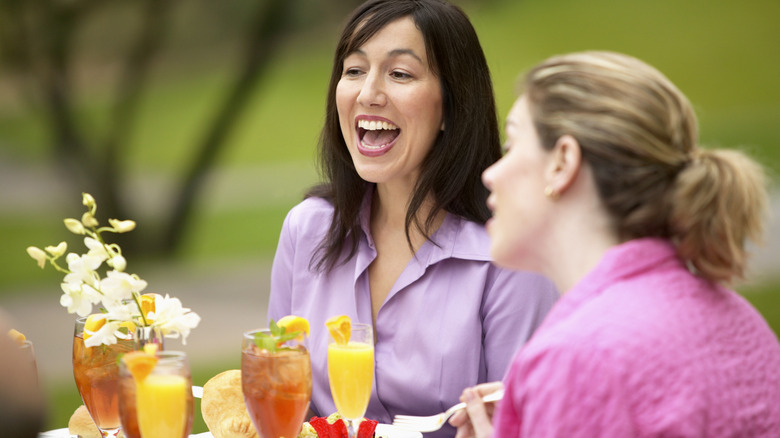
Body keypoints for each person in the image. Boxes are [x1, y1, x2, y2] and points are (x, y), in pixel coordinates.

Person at [449, 50, 780, 437]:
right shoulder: (742, 321)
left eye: (511, 147)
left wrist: (562, 395)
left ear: (562, 163)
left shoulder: (577, 357)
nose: (491, 174)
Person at [267, 0, 558, 435]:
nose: (368, 94)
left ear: (452, 104)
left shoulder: (512, 255)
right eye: (354, 70)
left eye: (400, 74)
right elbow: (276, 399)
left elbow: (525, 423)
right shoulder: (307, 229)